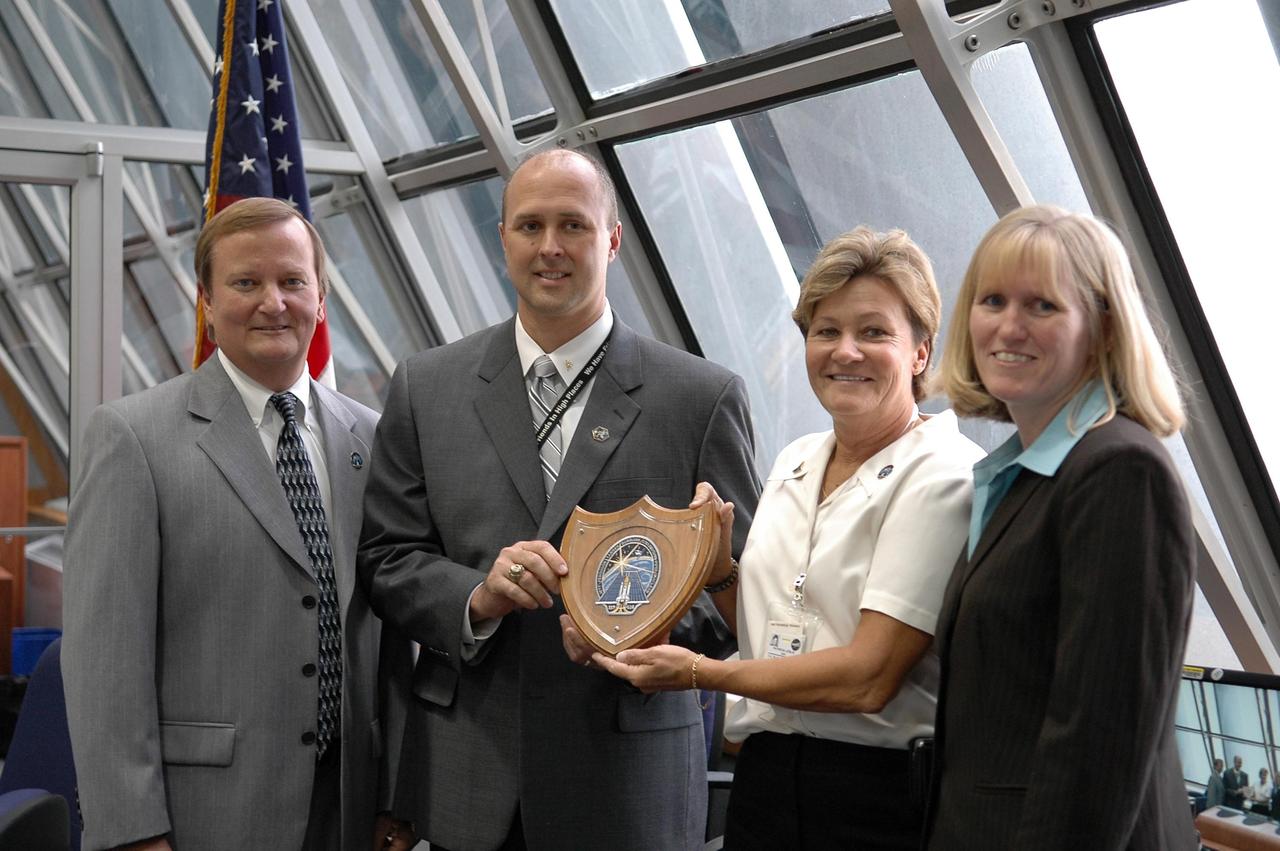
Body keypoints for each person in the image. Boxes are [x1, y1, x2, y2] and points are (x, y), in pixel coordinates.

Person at [358, 148, 761, 851]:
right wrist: (477, 596)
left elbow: (738, 582)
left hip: (626, 780)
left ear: (612, 237)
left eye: (572, 225)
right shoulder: (427, 387)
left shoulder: (700, 397)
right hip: (470, 779)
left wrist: (634, 629)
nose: (550, 247)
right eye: (530, 225)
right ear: (503, 238)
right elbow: (388, 557)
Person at [589, 226, 984, 848]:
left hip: (874, 802)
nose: (844, 351)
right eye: (826, 331)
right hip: (768, 782)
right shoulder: (798, 460)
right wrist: (720, 573)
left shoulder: (944, 474)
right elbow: (774, 631)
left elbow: (867, 676)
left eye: (874, 332)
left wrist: (700, 673)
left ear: (920, 352)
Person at [62, 198, 414, 851]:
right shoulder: (134, 439)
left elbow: (391, 635)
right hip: (205, 816)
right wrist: (132, 831)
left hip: (351, 808)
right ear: (205, 300)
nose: (272, 302)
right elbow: (105, 661)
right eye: (245, 282)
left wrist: (396, 793)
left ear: (322, 297)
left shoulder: (371, 437)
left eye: (292, 281)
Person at [926, 205, 1196, 850]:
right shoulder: (1022, 474)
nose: (1008, 326)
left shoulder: (1119, 472)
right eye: (992, 300)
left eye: (1042, 306)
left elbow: (1100, 737)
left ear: (1103, 328)